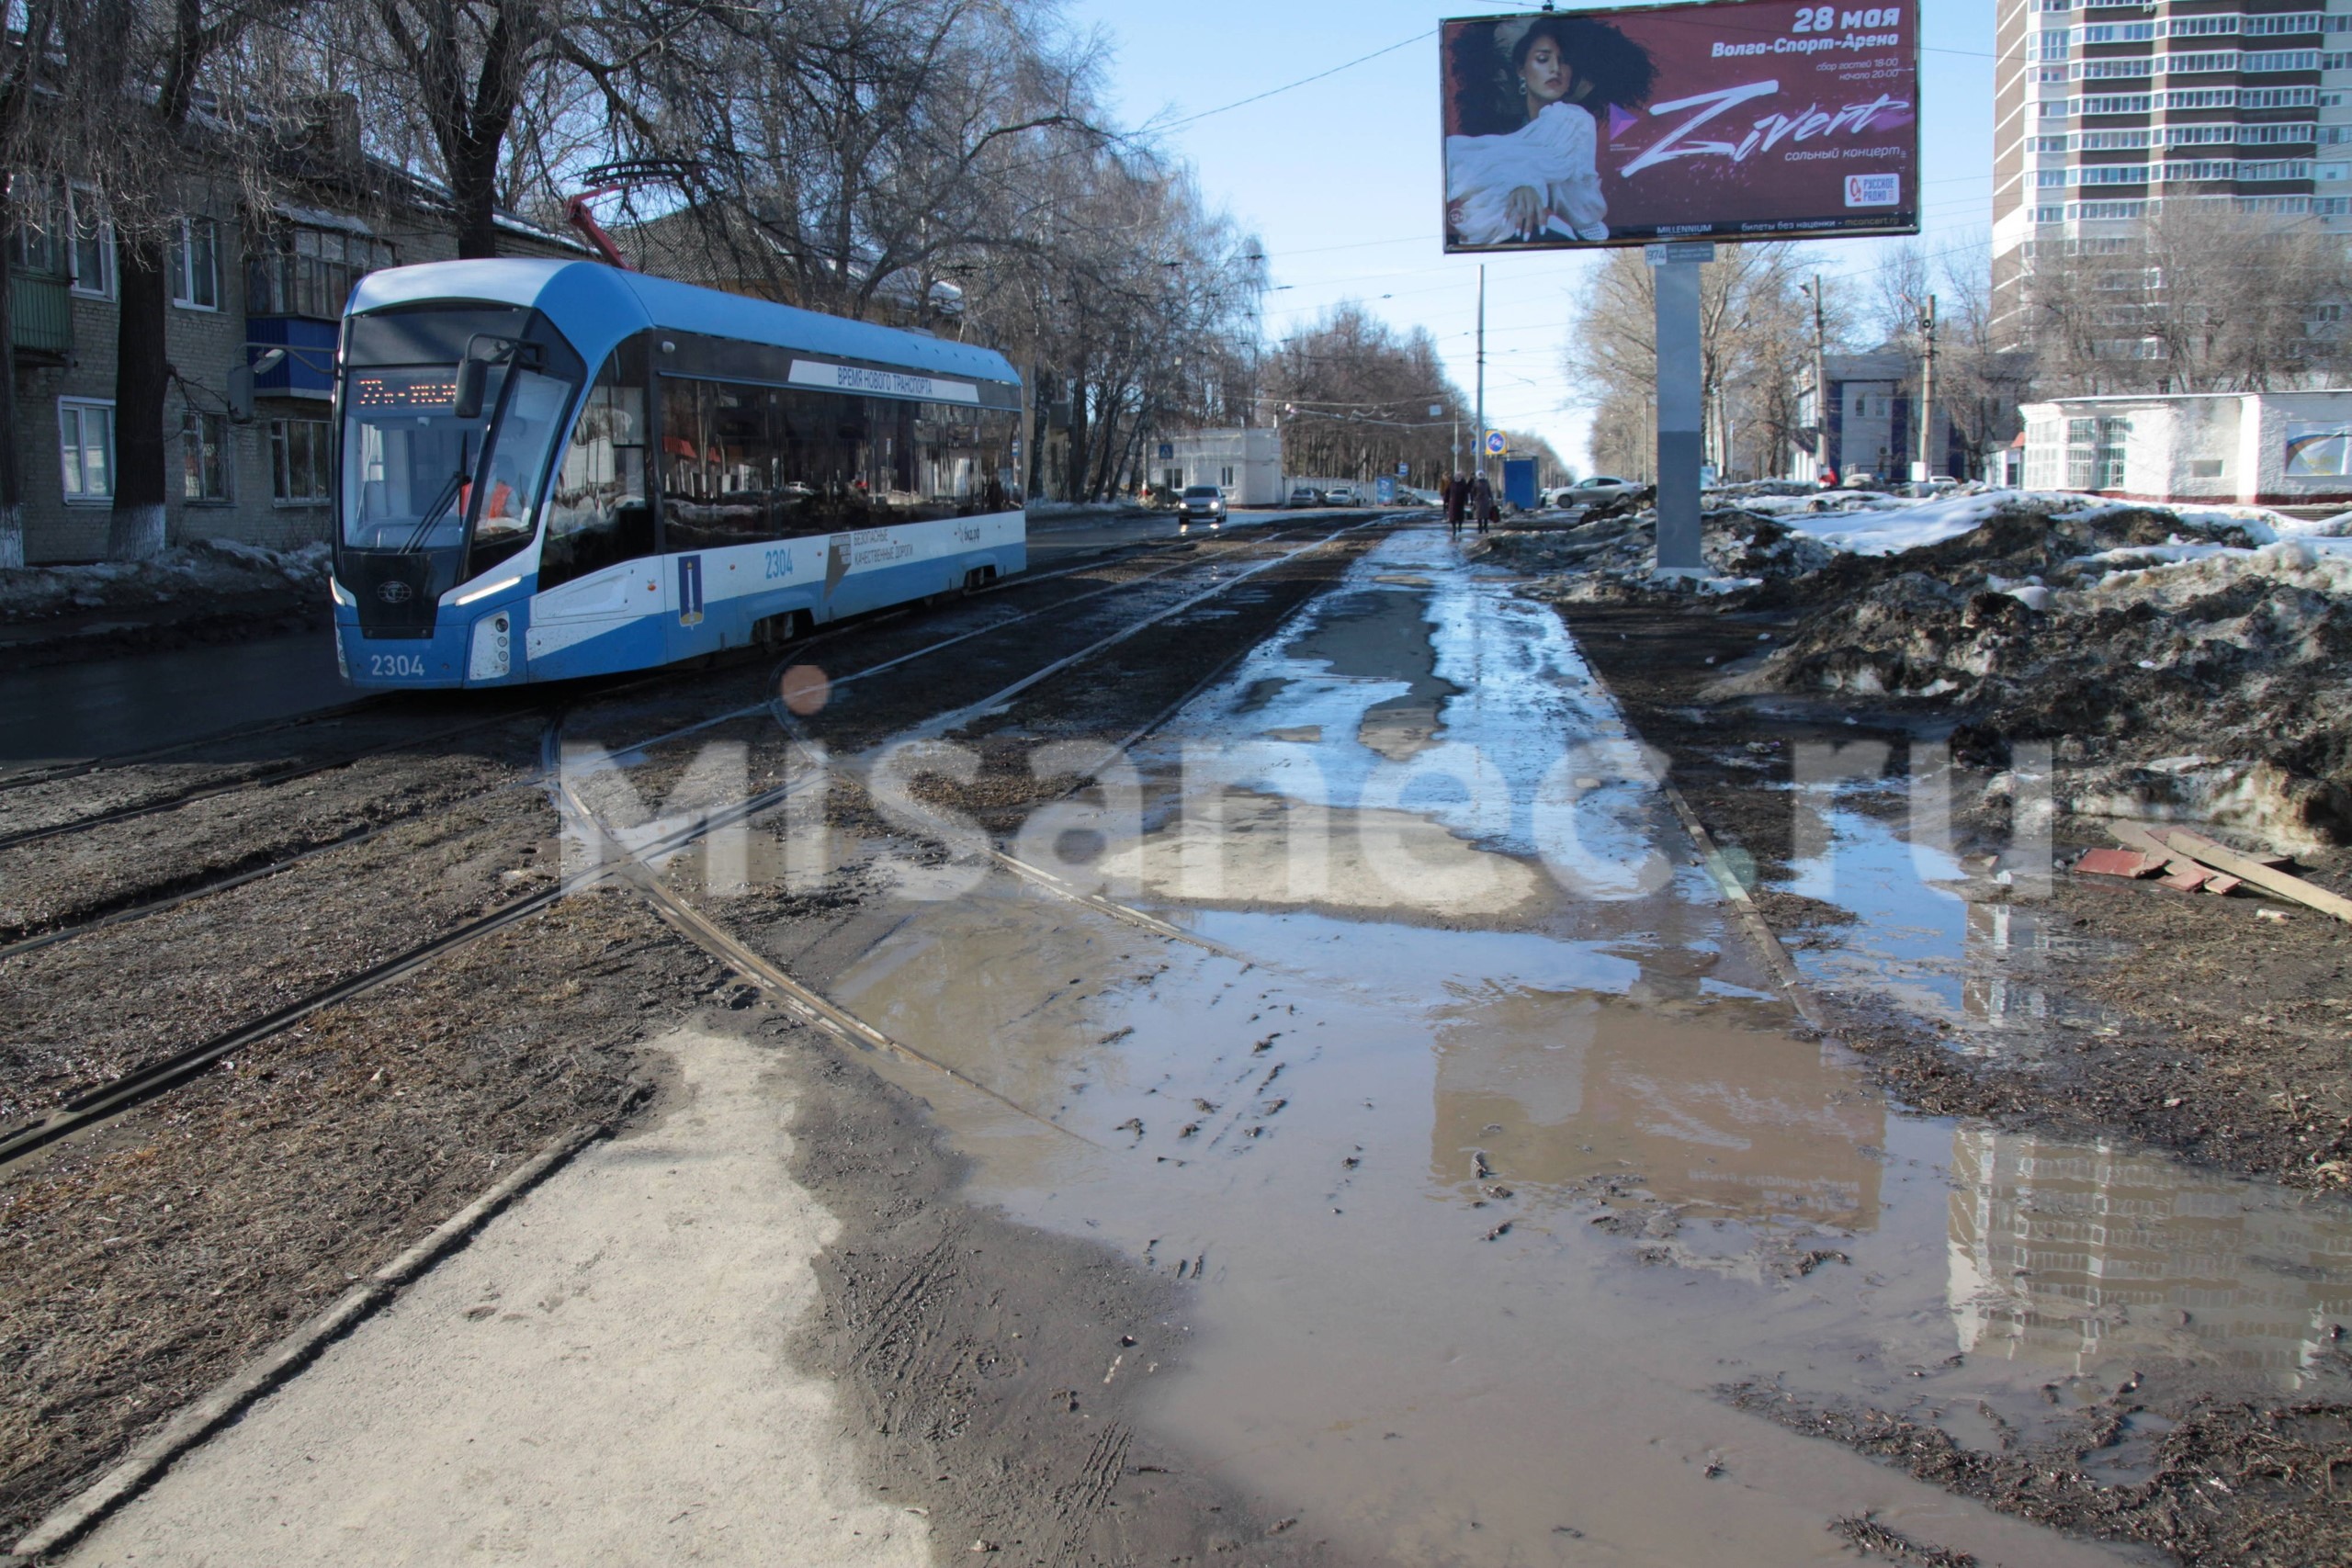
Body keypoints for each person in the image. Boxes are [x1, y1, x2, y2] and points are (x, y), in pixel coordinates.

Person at [1443, 16, 1657, 247]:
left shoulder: (1574, 121)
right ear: (1521, 69)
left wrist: (1524, 180)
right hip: (1498, 235)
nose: (1555, 69)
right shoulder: (1500, 133)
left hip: (1556, 233)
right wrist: (1521, 180)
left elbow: (1556, 170)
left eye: (1564, 62)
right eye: (1543, 59)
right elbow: (1459, 159)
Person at [1472, 471, 1497, 535]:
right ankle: (1480, 527)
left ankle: (1485, 527)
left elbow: (1489, 490)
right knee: (1479, 515)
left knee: (1486, 514)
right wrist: (1474, 498)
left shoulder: (1486, 482)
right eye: (1479, 474)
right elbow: (1473, 492)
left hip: (1485, 500)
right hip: (1479, 500)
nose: (1481, 475)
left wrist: (1492, 499)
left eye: (1482, 474)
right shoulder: (1476, 482)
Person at [1445, 471, 1468, 535]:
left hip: (1460, 502)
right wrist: (1446, 501)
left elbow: (1465, 493)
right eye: (1457, 476)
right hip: (1453, 502)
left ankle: (1460, 526)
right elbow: (1447, 492)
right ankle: (1454, 528)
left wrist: (1466, 500)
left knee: (1460, 516)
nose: (1458, 477)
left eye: (1459, 476)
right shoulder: (1451, 483)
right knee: (1452, 516)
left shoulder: (1463, 483)